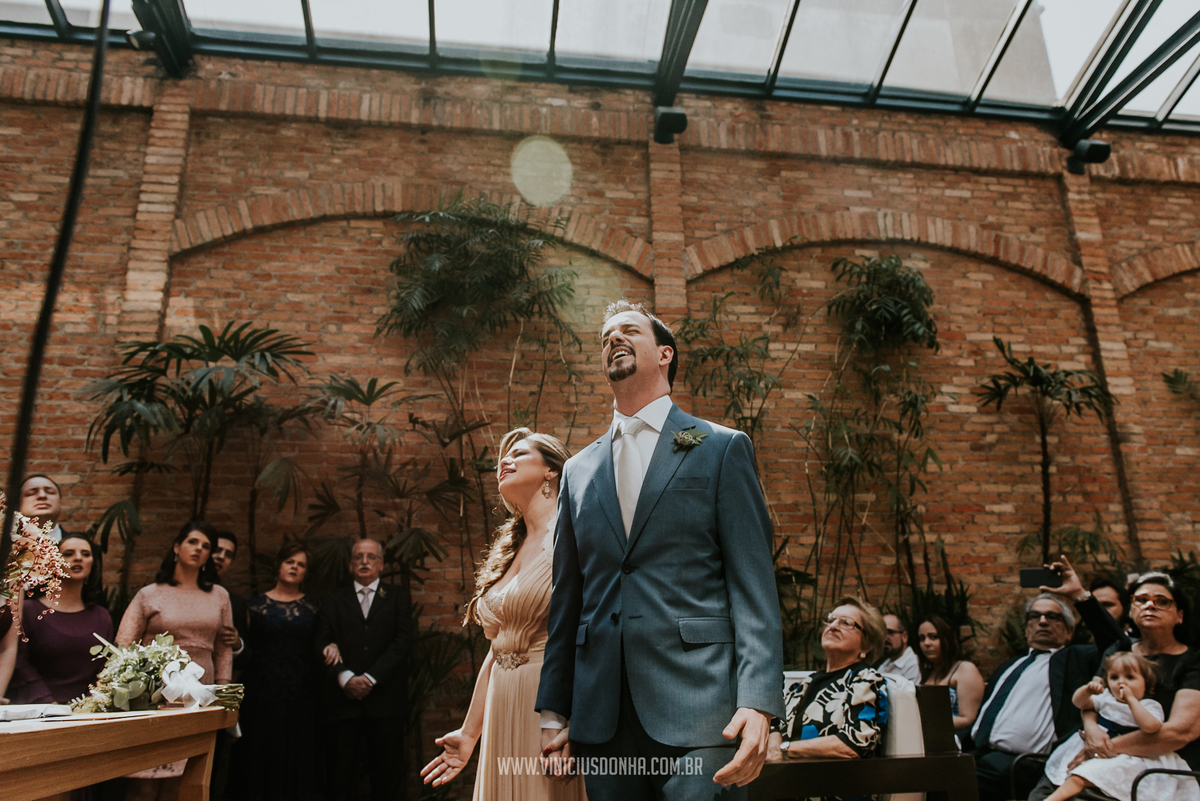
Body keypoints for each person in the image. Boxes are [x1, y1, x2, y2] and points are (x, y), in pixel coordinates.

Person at [537, 300, 785, 801]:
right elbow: (569, 598)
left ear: (665, 354)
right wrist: (554, 713)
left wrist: (759, 704)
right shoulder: (578, 471)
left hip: (703, 710)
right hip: (602, 719)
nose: (613, 339)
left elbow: (753, 588)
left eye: (629, 331)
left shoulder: (720, 447)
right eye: (605, 336)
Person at [422, 428, 584, 800]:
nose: (504, 462)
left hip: (550, 707)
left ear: (552, 471)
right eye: (501, 459)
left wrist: (578, 723)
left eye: (519, 453)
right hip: (502, 704)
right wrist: (469, 733)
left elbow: (592, 636)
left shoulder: (574, 536)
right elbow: (499, 650)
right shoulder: (510, 546)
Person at [1029, 571, 1200, 801]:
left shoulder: (1192, 662)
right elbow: (1094, 698)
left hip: (1150, 764)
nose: (1150, 605)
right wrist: (1091, 729)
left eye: (1162, 601)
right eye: (1141, 600)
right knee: (1042, 793)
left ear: (1179, 615)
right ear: (1131, 610)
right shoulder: (1119, 650)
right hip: (1096, 748)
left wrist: (1104, 747)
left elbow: (1178, 733)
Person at [967, 555, 1124, 801]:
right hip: (977, 754)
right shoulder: (1009, 666)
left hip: (1025, 763)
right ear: (1027, 627)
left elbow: (1117, 643)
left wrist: (1079, 595)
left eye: (1053, 617)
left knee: (949, 780)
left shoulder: (1076, 658)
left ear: (1069, 630)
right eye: (1034, 616)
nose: (1042, 621)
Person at [118, 521, 233, 801]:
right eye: (193, 542)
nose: (199, 549)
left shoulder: (219, 596)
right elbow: (123, 646)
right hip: (154, 696)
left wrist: (223, 694)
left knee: (182, 783)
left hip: (200, 698)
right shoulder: (150, 594)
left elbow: (224, 648)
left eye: (206, 546)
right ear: (176, 547)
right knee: (143, 783)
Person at [316, 537, 414, 801]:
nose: (364, 561)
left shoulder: (397, 598)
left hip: (386, 704)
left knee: (387, 780)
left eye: (371, 557)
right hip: (341, 705)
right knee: (339, 778)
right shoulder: (333, 601)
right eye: (358, 557)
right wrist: (345, 677)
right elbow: (320, 643)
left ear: (381, 564)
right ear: (350, 565)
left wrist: (370, 678)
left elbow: (403, 642)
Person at [769, 597, 889, 801]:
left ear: (866, 645)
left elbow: (853, 745)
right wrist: (773, 747)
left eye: (846, 623)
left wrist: (783, 750)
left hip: (834, 791)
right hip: (787, 788)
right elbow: (775, 724)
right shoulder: (805, 683)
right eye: (831, 620)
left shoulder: (866, 679)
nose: (833, 626)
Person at [1043, 651, 1199, 801]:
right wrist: (1086, 691)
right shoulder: (1106, 699)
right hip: (1097, 748)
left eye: (1130, 677)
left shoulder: (1148, 705)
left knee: (1082, 776)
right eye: (1114, 677)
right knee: (1074, 774)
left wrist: (1131, 700)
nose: (1121, 682)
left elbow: (1151, 727)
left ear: (1146, 682)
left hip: (1130, 754)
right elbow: (1080, 703)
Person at [240, 544, 320, 801]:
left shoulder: (315, 608)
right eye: (289, 561)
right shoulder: (253, 606)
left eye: (301, 564)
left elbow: (322, 642)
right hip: (260, 693)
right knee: (259, 754)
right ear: (278, 566)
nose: (295, 567)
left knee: (298, 756)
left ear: (306, 573)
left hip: (301, 694)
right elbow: (245, 650)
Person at [9, 535, 113, 703]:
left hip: (87, 714)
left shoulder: (102, 616)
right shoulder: (29, 610)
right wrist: (49, 704)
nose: (78, 558)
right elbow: (19, 662)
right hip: (38, 711)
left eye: (86, 554)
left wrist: (88, 706)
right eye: (68, 554)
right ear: (53, 562)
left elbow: (104, 670)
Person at [916, 614, 984, 735]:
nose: (926, 643)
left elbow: (968, 719)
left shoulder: (965, 669)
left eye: (933, 637)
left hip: (956, 742)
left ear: (948, 639)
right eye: (922, 638)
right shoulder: (927, 673)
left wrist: (926, 722)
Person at [18, 474, 66, 542]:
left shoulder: (81, 544)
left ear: (61, 501)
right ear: (18, 504)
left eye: (50, 492)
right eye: (31, 493)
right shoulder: (4, 544)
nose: (42, 495)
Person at [878, 614, 921, 684]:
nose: (885, 638)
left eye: (890, 632)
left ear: (904, 637)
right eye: (882, 633)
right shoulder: (884, 666)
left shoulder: (914, 665)